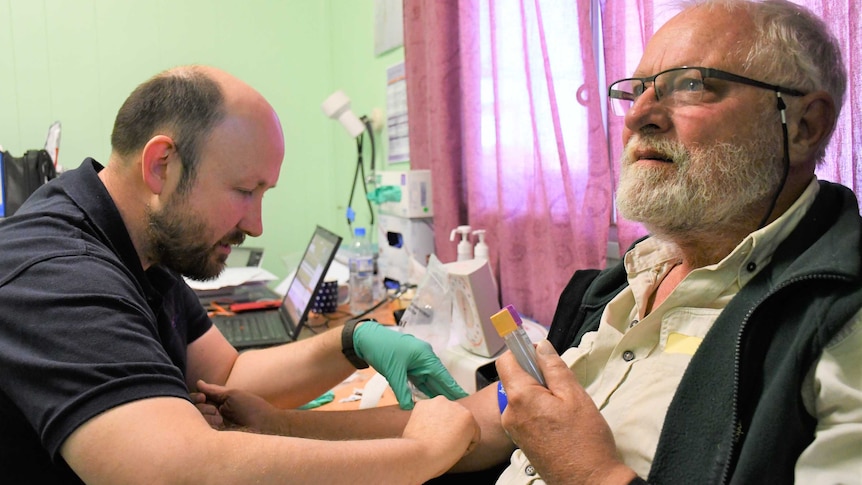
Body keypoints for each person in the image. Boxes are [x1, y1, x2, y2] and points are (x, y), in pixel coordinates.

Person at [199, 0, 862, 483]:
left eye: (691, 85)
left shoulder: (837, 321)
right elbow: (488, 420)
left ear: (802, 124)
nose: (638, 114)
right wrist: (283, 425)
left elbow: (559, 445)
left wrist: (591, 472)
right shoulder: (627, 282)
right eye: (634, 90)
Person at [0, 65, 478, 484]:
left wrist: (352, 343)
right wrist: (421, 455)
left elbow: (228, 375)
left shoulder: (141, 245)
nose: (256, 224)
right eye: (245, 190)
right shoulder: (58, 272)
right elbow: (178, 472)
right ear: (161, 165)